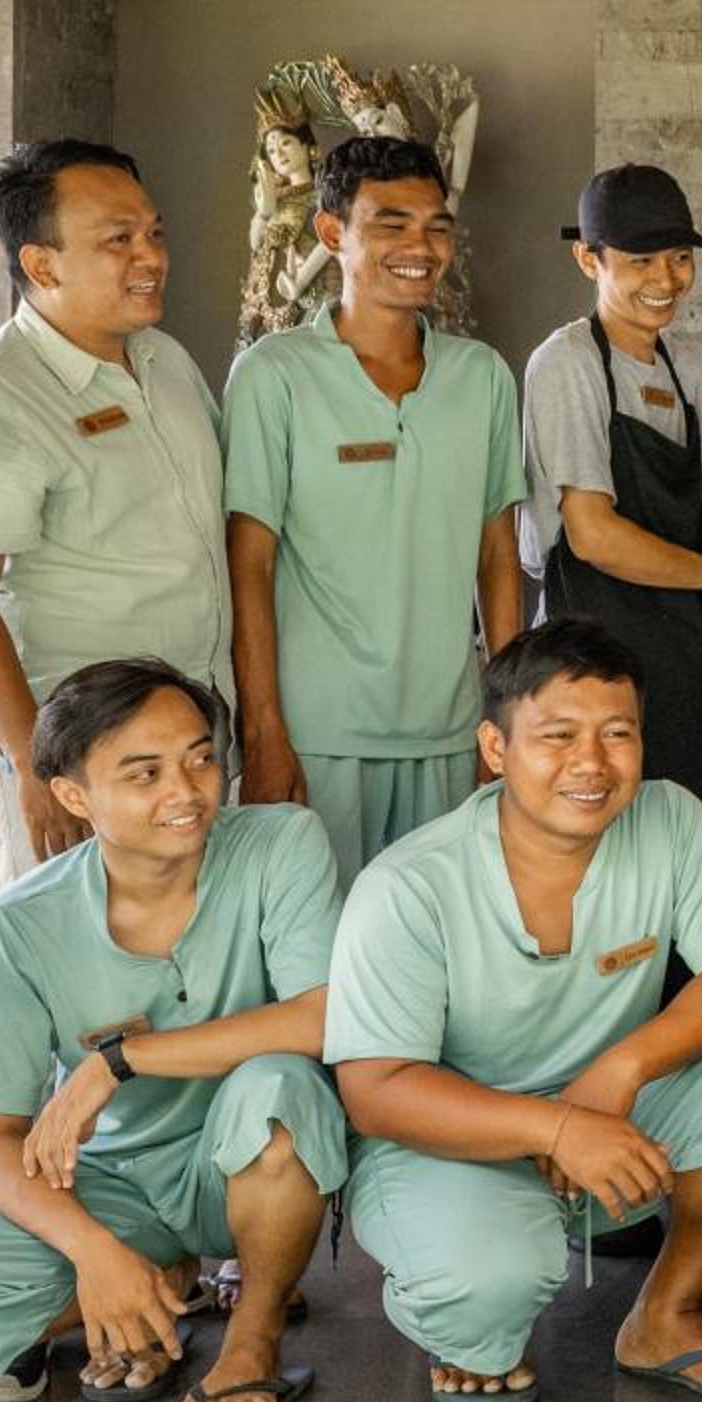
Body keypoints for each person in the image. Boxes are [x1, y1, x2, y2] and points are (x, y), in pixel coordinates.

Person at [327, 620, 702, 1402]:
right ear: (495, 748)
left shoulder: (670, 819)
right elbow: (376, 1089)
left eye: (617, 734)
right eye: (558, 736)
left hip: (615, 1110)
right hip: (453, 1139)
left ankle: (665, 1314)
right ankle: (467, 1298)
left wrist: (621, 1069)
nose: (592, 763)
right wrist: (557, 1128)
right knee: (483, 1298)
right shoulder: (408, 885)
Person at [0, 659, 343, 1402]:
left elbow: (321, 1020)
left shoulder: (281, 842)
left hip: (237, 1162)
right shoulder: (19, 924)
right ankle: (156, 1283)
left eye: (200, 758)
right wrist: (95, 1254)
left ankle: (254, 1334)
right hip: (114, 1181)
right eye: (145, 774)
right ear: (74, 796)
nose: (187, 791)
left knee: (280, 1087)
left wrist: (119, 1061)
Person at [0, 140, 231, 887]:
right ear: (42, 265)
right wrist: (35, 762)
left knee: (180, 944)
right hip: (69, 744)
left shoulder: (164, 360)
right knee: (70, 944)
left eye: (153, 233)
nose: (150, 257)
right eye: (118, 240)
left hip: (182, 731)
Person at [225, 134, 526, 890]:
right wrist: (262, 730)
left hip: (451, 731)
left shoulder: (484, 377)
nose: (421, 247)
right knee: (317, 948)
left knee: (442, 939)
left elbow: (498, 553)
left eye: (436, 227)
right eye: (392, 224)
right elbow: (248, 564)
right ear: (332, 232)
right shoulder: (272, 375)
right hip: (317, 735)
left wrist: (509, 719)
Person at [522, 162, 702, 814]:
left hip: (688, 668)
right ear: (588, 260)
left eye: (680, 258)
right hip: (589, 672)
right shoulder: (567, 363)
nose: (666, 280)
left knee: (682, 840)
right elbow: (592, 535)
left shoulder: (686, 370)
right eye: (641, 261)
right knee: (595, 843)